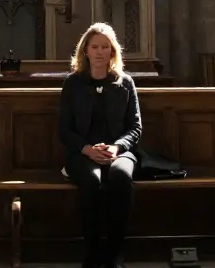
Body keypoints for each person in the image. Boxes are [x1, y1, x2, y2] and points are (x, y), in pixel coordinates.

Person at [58, 23, 141, 268]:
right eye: (94, 46)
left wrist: (117, 148)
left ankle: (115, 250)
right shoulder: (73, 83)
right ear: (85, 50)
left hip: (119, 152)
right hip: (82, 152)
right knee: (91, 180)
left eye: (105, 47)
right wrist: (86, 149)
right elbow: (64, 128)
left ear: (113, 51)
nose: (99, 52)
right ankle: (93, 251)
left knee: (120, 176)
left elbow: (135, 127)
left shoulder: (125, 83)